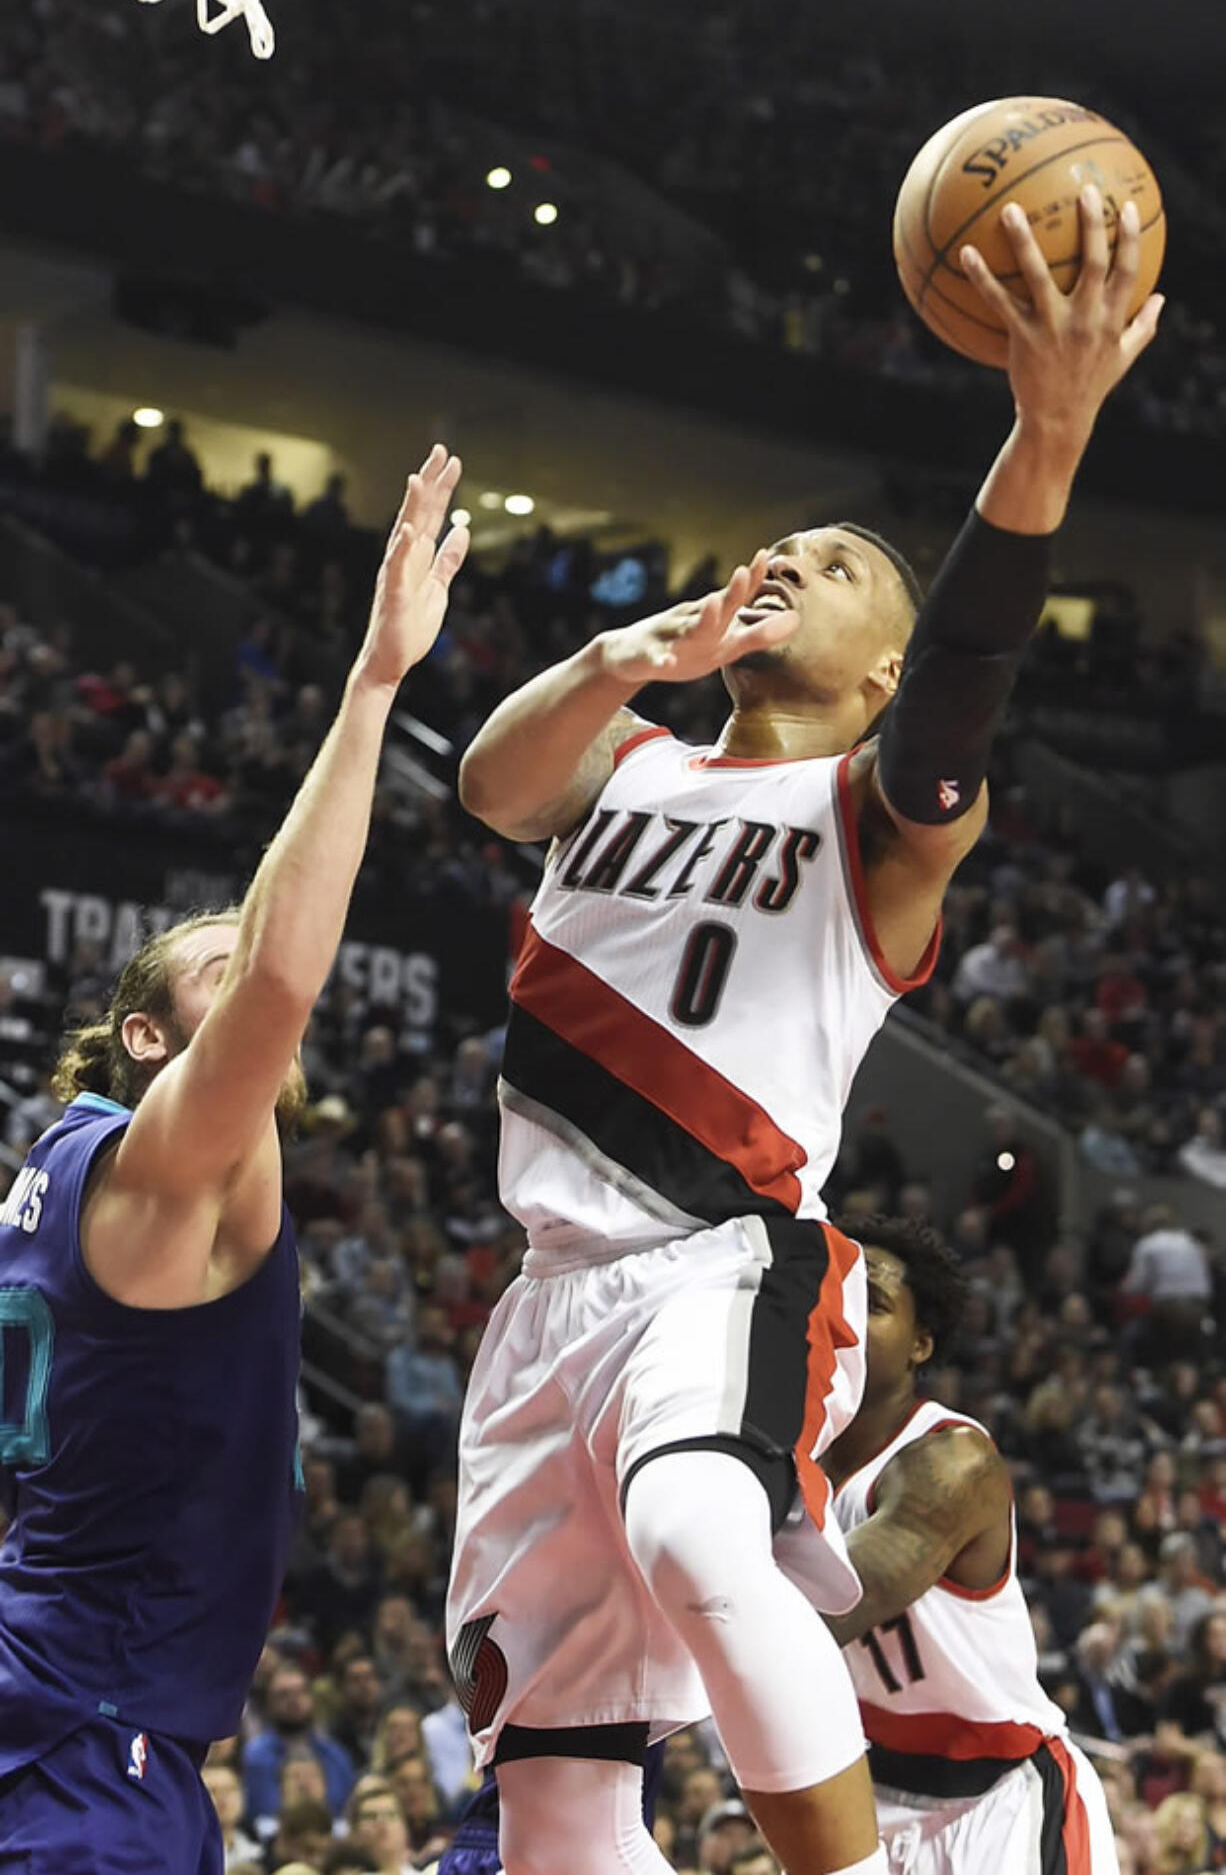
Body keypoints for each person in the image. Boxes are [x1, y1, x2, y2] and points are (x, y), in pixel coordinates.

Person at [448, 191, 1160, 1875]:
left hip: (718, 1253)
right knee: (553, 1768)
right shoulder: (630, 761)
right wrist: (629, 653)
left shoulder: (879, 809)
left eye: (836, 566)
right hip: (548, 1286)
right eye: (781, 547)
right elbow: (491, 784)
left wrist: (1038, 451)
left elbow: (967, 679)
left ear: (882, 669)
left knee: (708, 1523)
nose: (789, 559)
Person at [0, 444, 469, 1873]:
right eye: (208, 967)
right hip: (86, 1744)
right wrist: (374, 684)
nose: (252, 955)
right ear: (144, 1037)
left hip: (72, 1700)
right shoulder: (150, 1174)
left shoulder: (62, 1172)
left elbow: (258, 943)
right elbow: (277, 976)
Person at [821, 1213, 1118, 1872]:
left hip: (999, 1799)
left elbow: (822, 1615)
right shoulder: (788, 1454)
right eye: (830, 1290)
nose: (841, 1313)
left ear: (920, 1344)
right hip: (873, 1792)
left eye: (870, 1302)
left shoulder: (951, 1462)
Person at [243, 1662, 357, 1829]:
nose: (293, 1700)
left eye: (300, 1691)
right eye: (283, 1694)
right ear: (268, 1703)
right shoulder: (255, 1756)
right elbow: (264, 1811)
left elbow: (346, 1809)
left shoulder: (336, 1754)